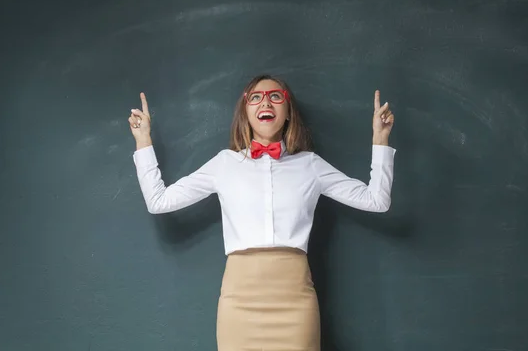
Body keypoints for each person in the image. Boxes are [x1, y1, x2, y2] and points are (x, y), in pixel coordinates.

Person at [128, 74, 396, 351]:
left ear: (288, 111)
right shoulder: (224, 164)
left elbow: (377, 200)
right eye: (255, 97)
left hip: (295, 300)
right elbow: (158, 201)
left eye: (275, 96)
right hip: (239, 301)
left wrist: (380, 139)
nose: (265, 101)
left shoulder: (310, 165)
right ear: (245, 111)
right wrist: (143, 140)